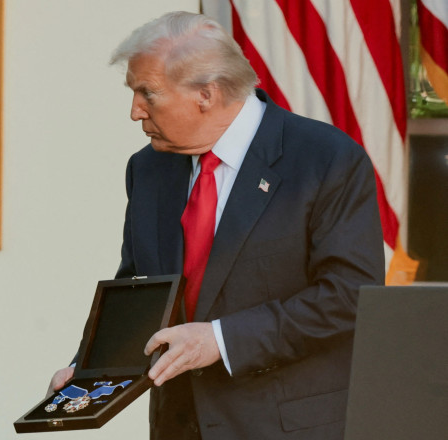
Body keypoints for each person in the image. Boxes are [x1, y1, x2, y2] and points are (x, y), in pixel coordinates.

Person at [50, 11, 385, 440]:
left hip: (285, 426)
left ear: (206, 94)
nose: (135, 111)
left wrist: (221, 340)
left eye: (147, 93)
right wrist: (91, 368)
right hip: (179, 426)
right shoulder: (148, 169)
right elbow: (138, 288)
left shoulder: (325, 159)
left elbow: (349, 295)